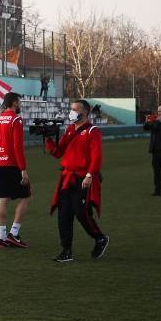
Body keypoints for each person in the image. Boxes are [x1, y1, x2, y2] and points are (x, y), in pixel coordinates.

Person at [45, 99, 109, 263]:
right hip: (67, 177)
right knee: (64, 214)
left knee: (81, 213)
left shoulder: (92, 131)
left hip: (82, 178)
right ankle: (66, 250)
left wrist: (89, 175)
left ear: (84, 112)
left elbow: (97, 156)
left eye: (75, 109)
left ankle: (100, 238)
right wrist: (48, 138)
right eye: (71, 109)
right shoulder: (69, 130)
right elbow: (58, 152)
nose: (71, 112)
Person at [0, 92, 31, 250]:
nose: (20, 104)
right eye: (19, 101)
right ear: (14, 103)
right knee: (27, 197)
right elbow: (17, 146)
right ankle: (13, 234)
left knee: (3, 199)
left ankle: (2, 238)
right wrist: (23, 169)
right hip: (12, 164)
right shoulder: (16, 119)